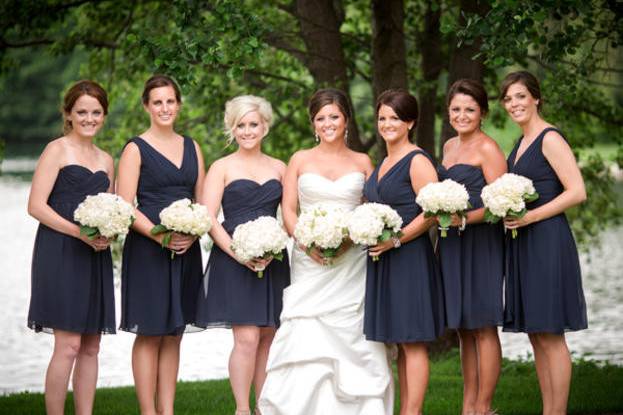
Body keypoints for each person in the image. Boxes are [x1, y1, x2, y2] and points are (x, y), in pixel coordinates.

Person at [258, 88, 393, 415]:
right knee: (307, 329)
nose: (328, 123)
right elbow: (289, 210)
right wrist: (306, 242)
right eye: (321, 118)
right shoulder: (300, 159)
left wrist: (349, 239)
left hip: (352, 262)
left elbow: (370, 211)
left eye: (334, 116)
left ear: (346, 119)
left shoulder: (363, 162)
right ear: (313, 124)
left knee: (353, 333)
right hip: (309, 261)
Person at [195, 95, 290, 415]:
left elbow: (290, 216)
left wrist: (278, 242)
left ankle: (264, 406)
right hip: (234, 259)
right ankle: (242, 409)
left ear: (265, 127)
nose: (247, 131)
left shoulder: (281, 167)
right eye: (241, 125)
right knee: (246, 338)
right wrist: (240, 253)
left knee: (267, 336)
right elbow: (208, 218)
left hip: (272, 259)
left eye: (254, 124)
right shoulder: (221, 167)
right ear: (232, 129)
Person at [117, 74, 205, 415]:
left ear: (178, 105)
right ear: (146, 106)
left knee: (174, 332)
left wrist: (193, 232)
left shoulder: (192, 146)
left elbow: (202, 201)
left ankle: (167, 410)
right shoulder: (135, 149)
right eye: (158, 102)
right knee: (151, 332)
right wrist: (161, 234)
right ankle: (147, 412)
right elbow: (125, 206)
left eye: (170, 101)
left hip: (186, 249)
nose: (165, 108)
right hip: (148, 249)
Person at [501, 71, 588, 415]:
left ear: (536, 98)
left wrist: (531, 218)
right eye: (508, 99)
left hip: (547, 241)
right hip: (523, 243)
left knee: (551, 333)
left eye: (520, 96)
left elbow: (577, 191)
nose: (514, 104)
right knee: (536, 334)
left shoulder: (549, 137)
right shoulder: (520, 142)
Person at [27, 80, 115, 415]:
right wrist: (78, 233)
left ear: (104, 116)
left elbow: (112, 208)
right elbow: (36, 205)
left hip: (94, 254)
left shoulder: (107, 160)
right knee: (68, 345)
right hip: (60, 251)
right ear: (68, 114)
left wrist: (110, 229)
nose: (89, 118)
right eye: (82, 112)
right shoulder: (56, 150)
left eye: (96, 112)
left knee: (91, 345)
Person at [363, 89, 445, 415]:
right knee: (399, 344)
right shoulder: (383, 162)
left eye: (395, 118)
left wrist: (395, 240)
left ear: (409, 122)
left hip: (409, 259)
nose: (387, 124)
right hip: (384, 260)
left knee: (413, 341)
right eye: (382, 118)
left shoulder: (417, 160)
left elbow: (432, 212)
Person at [437, 79, 507, 415]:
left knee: (483, 325)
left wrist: (464, 219)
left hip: (481, 243)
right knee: (464, 327)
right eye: (456, 109)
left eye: (469, 109)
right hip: (452, 244)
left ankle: (484, 406)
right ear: (448, 111)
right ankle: (468, 405)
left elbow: (503, 204)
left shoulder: (488, 149)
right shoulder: (449, 147)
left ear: (482, 112)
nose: (462, 115)